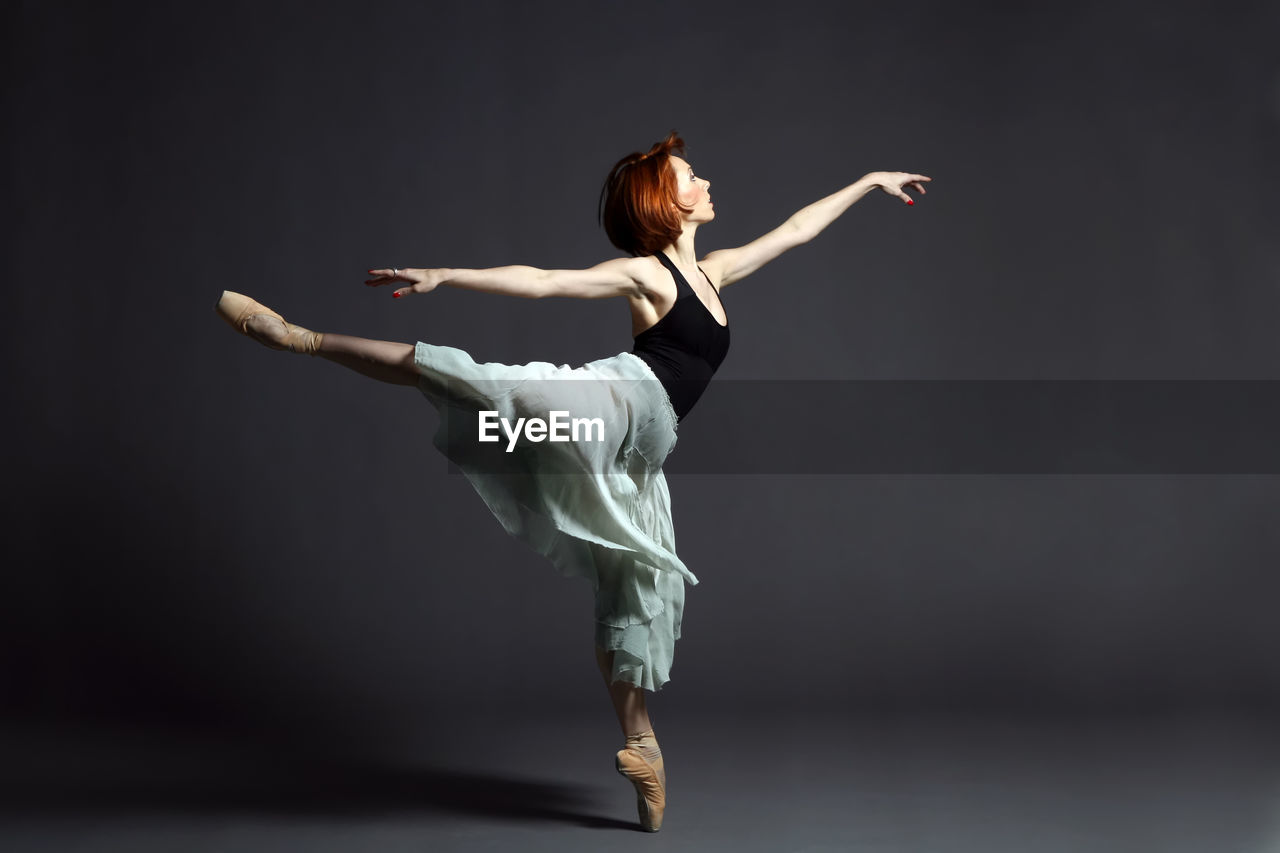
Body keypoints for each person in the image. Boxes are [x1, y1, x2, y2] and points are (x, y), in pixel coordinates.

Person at [216, 131, 929, 831]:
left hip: (641, 455)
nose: (706, 184)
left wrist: (869, 182)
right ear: (664, 204)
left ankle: (642, 742)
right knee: (485, 386)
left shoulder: (717, 269)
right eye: (690, 178)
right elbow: (547, 280)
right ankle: (300, 337)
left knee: (637, 588)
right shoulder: (650, 274)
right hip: (610, 405)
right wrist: (447, 276)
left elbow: (798, 230)